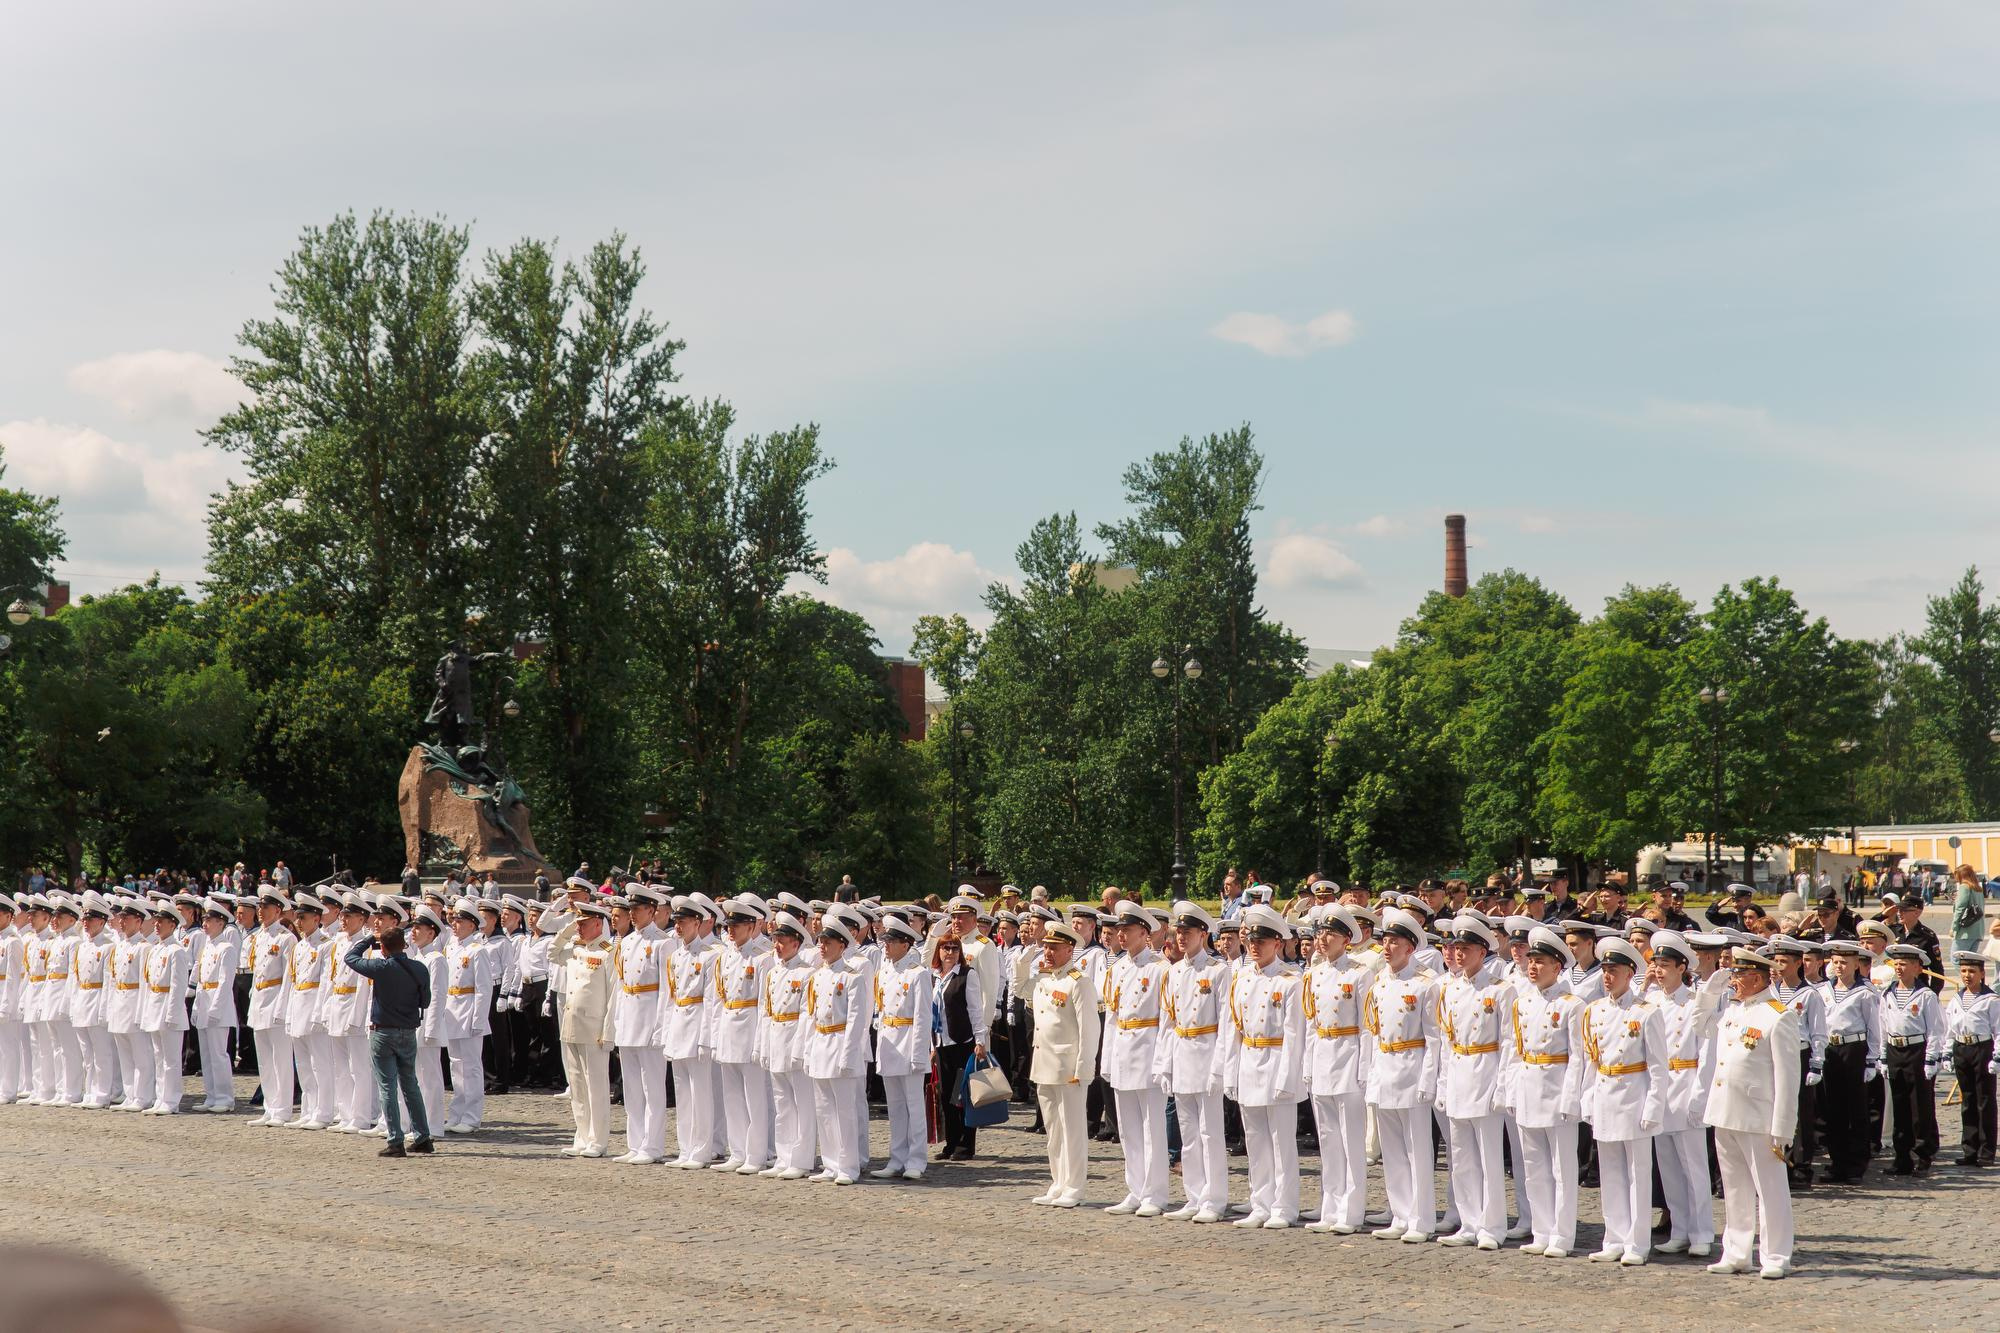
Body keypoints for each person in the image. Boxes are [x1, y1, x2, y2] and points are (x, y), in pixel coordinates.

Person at [1704, 947, 1801, 1279]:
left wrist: (1783, 1127)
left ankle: (1775, 1255)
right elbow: (1699, 1026)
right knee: (1734, 1187)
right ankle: (1736, 1251)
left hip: (1759, 1116)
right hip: (1726, 1111)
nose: (1732, 981)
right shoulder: (1734, 1011)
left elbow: (1788, 1079)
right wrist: (1709, 991)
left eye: (1737, 975)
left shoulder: (1778, 1015)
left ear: (1756, 977)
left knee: (1770, 1188)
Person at [1580, 938, 1666, 1266]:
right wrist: (1587, 1098)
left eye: (1613, 971)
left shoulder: (1645, 1013)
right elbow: (1592, 1060)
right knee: (1611, 1172)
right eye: (1604, 971)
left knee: (1637, 1174)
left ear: (1631, 973)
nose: (1607, 977)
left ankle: (1637, 1242)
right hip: (1605, 1094)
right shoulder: (1595, 1011)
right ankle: (1614, 1237)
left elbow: (1658, 1066)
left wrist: (1653, 1105)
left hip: (1634, 1095)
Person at [1365, 906, 1441, 1243]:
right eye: (1386, 941)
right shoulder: (1380, 980)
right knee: (1393, 1151)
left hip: (1412, 1068)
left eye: (1395, 942)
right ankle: (1399, 1213)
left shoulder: (1426, 983)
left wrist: (1428, 1079)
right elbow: (1374, 1031)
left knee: (1417, 1150)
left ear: (1410, 948)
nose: (1387, 947)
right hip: (1385, 1068)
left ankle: (1421, 1217)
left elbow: (1434, 1037)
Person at [1436, 915, 1512, 1250]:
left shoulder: (1500, 991)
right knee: (1462, 1157)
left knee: (1489, 1158)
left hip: (1486, 1071)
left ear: (1483, 952)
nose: (1459, 954)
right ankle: (1468, 1221)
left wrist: (1502, 1085)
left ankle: (1492, 1225)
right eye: (1456, 948)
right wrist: (1441, 1083)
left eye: (1466, 948)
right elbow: (1444, 1040)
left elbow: (1509, 1042)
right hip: (1458, 1072)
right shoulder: (1450, 990)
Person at [1157, 900, 1230, 1222]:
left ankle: (1214, 1198)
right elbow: (1167, 1022)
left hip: (1207, 1051)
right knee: (1188, 1134)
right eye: (1178, 931)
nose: (1181, 937)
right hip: (1183, 1053)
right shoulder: (1174, 972)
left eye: (1187, 932)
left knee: (1210, 1134)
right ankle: (1193, 1195)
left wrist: (1219, 1066)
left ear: (1203, 934)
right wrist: (1164, 1063)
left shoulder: (1218, 971)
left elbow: (1227, 1022)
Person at [341, 924, 435, 1157]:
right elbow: (425, 1002)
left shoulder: (380, 967)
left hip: (383, 1032)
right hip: (408, 1031)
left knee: (387, 1087)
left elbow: (350, 957)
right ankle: (423, 1136)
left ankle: (395, 1140)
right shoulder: (420, 968)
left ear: (382, 948)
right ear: (404, 945)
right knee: (410, 1084)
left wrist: (368, 939)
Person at [1102, 900, 1169, 1217]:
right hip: (1124, 1051)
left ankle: (1155, 1193)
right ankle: (1136, 1188)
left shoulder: (1160, 969)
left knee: (1152, 1127)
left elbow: (1167, 1020)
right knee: (1128, 1128)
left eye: (1127, 930)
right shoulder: (1117, 969)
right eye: (1120, 931)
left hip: (1148, 1049)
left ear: (1145, 933)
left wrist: (1162, 1061)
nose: (1122, 936)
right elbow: (1112, 1018)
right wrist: (1107, 1060)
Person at [1029, 919, 1099, 1208]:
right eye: (1045, 946)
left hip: (1068, 1066)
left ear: (1069, 949)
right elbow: (1022, 986)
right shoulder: (1046, 981)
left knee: (1072, 1130)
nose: (1047, 952)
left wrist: (1084, 1067)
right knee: (1054, 1131)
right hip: (1044, 1063)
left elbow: (1089, 1028)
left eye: (1054, 947)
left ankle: (1074, 1186)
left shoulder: (1078, 983)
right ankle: (1058, 1182)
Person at [803, 912, 873, 1185]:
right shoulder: (818, 976)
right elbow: (812, 1017)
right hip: (821, 1044)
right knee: (824, 1111)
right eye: (820, 942)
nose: (822, 947)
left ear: (842, 945)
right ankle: (831, 1163)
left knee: (845, 1111)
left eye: (828, 942)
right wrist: (808, 1051)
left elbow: (856, 1022)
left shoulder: (852, 977)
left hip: (840, 1044)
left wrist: (848, 1054)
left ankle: (849, 1166)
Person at [714, 894, 776, 1175]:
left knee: (755, 1097)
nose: (731, 930)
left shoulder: (763, 958)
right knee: (732, 1096)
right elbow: (718, 998)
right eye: (729, 925)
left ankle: (757, 1152)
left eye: (737, 925)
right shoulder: (726, 957)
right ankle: (737, 1151)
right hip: (728, 1026)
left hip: (750, 1027)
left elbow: (765, 1004)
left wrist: (761, 1041)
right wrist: (715, 1036)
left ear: (752, 926)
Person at [550, 897, 617, 1157]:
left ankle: (598, 1140)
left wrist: (608, 1032)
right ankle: (582, 1135)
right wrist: (568, 929)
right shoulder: (576, 950)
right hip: (571, 1025)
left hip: (594, 1029)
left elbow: (613, 996)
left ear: (598, 924)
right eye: (578, 923)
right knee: (577, 1085)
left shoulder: (607, 953)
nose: (579, 928)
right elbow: (553, 953)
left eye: (584, 923)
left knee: (596, 1087)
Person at [873, 916, 934, 1179]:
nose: (885, 946)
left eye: (891, 942)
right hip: (889, 1041)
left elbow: (923, 1017)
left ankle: (916, 1160)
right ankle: (897, 1158)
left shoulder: (918, 973)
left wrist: (919, 1053)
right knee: (895, 1106)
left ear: (906, 944)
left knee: (914, 1105)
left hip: (909, 1040)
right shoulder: (885, 971)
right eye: (885, 941)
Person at [1817, 941, 1881, 1183]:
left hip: (1854, 1048)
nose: (1839, 967)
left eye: (1844, 962)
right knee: (1834, 1109)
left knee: (1856, 1109)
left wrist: (1871, 1059)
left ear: (1856, 963)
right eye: (1835, 962)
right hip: (1831, 1049)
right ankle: (1837, 1161)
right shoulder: (1825, 990)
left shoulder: (1865, 992)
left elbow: (1875, 1028)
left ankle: (1856, 1164)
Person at [1879, 943, 1944, 1174]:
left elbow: (1936, 1029)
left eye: (1904, 964)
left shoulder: (1925, 995)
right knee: (1900, 1106)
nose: (1899, 968)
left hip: (1917, 1050)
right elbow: (1883, 1026)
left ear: (1917, 967)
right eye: (1896, 963)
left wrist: (1931, 1058)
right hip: (1896, 1049)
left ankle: (1923, 1153)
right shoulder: (1888, 993)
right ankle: (1902, 1155)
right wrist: (1884, 1057)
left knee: (1920, 1106)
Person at [1946, 950, 1999, 1167]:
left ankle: (1986, 1151)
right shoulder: (1957, 998)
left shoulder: (1991, 999)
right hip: (1962, 1046)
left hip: (1982, 1047)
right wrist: (1948, 1051)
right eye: (1964, 970)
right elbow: (1950, 1027)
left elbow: (1998, 1029)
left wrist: (1997, 1056)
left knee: (1984, 1099)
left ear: (1981, 973)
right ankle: (1969, 1148)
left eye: (1972, 971)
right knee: (1967, 1100)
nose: (1967, 975)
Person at [188, 898, 240, 1112]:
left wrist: (216, 1009)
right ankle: (211, 1096)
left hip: (218, 1005)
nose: (205, 924)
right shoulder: (207, 946)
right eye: (204, 919)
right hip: (204, 1001)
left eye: (209, 920)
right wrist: (196, 1007)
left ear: (221, 922)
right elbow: (199, 979)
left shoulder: (226, 948)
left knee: (219, 1054)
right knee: (207, 1055)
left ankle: (225, 1098)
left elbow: (226, 981)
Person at [1951, 865, 1987, 967]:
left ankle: (1967, 982)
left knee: (1956, 960)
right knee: (1969, 962)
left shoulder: (1964, 887)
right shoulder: (1978, 889)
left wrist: (1954, 928)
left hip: (1965, 931)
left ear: (1961, 875)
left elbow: (1960, 910)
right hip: (1978, 931)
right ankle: (1974, 982)